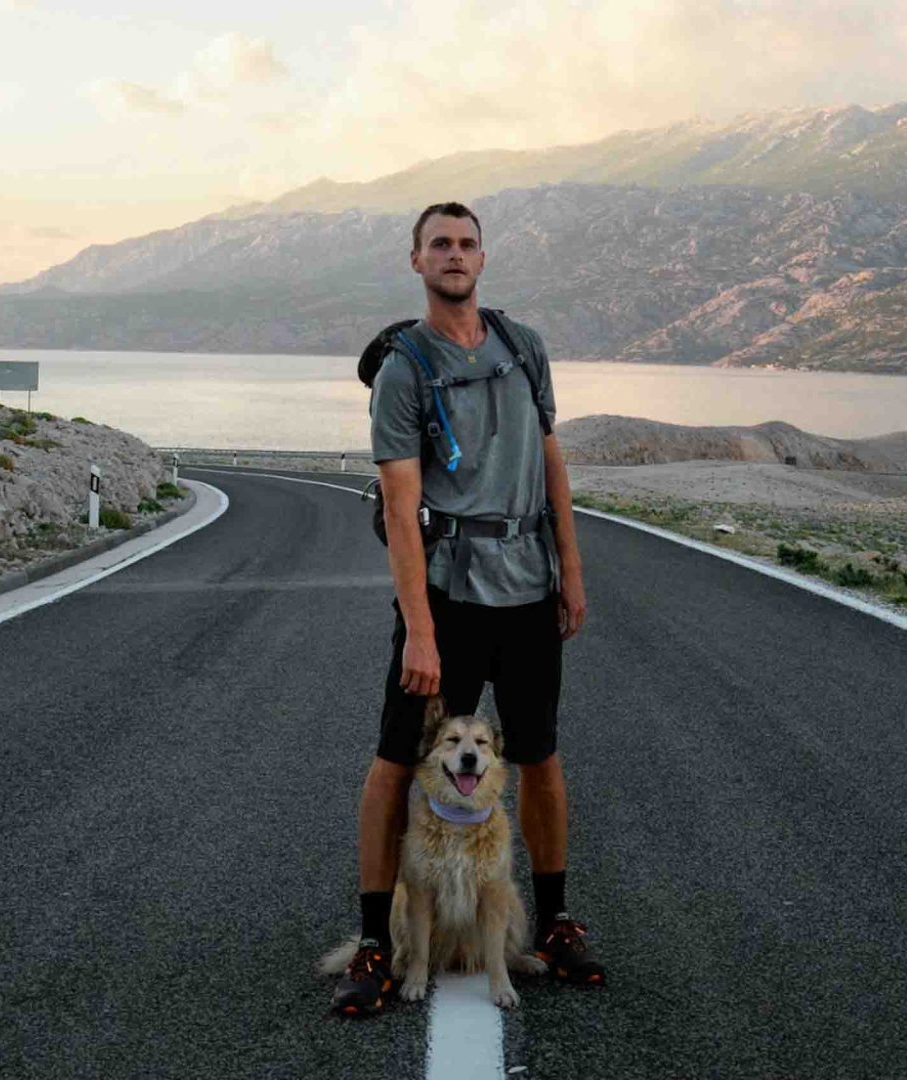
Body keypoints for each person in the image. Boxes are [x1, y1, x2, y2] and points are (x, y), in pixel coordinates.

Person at [332, 201, 605, 1017]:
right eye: (439, 245)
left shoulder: (524, 348)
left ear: (484, 258)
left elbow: (551, 458)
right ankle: (379, 942)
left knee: (539, 757)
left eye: (466, 243)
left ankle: (553, 923)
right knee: (393, 758)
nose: (454, 255)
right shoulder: (404, 369)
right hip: (448, 594)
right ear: (416, 261)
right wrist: (419, 627)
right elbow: (401, 501)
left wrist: (571, 566)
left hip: (527, 584)